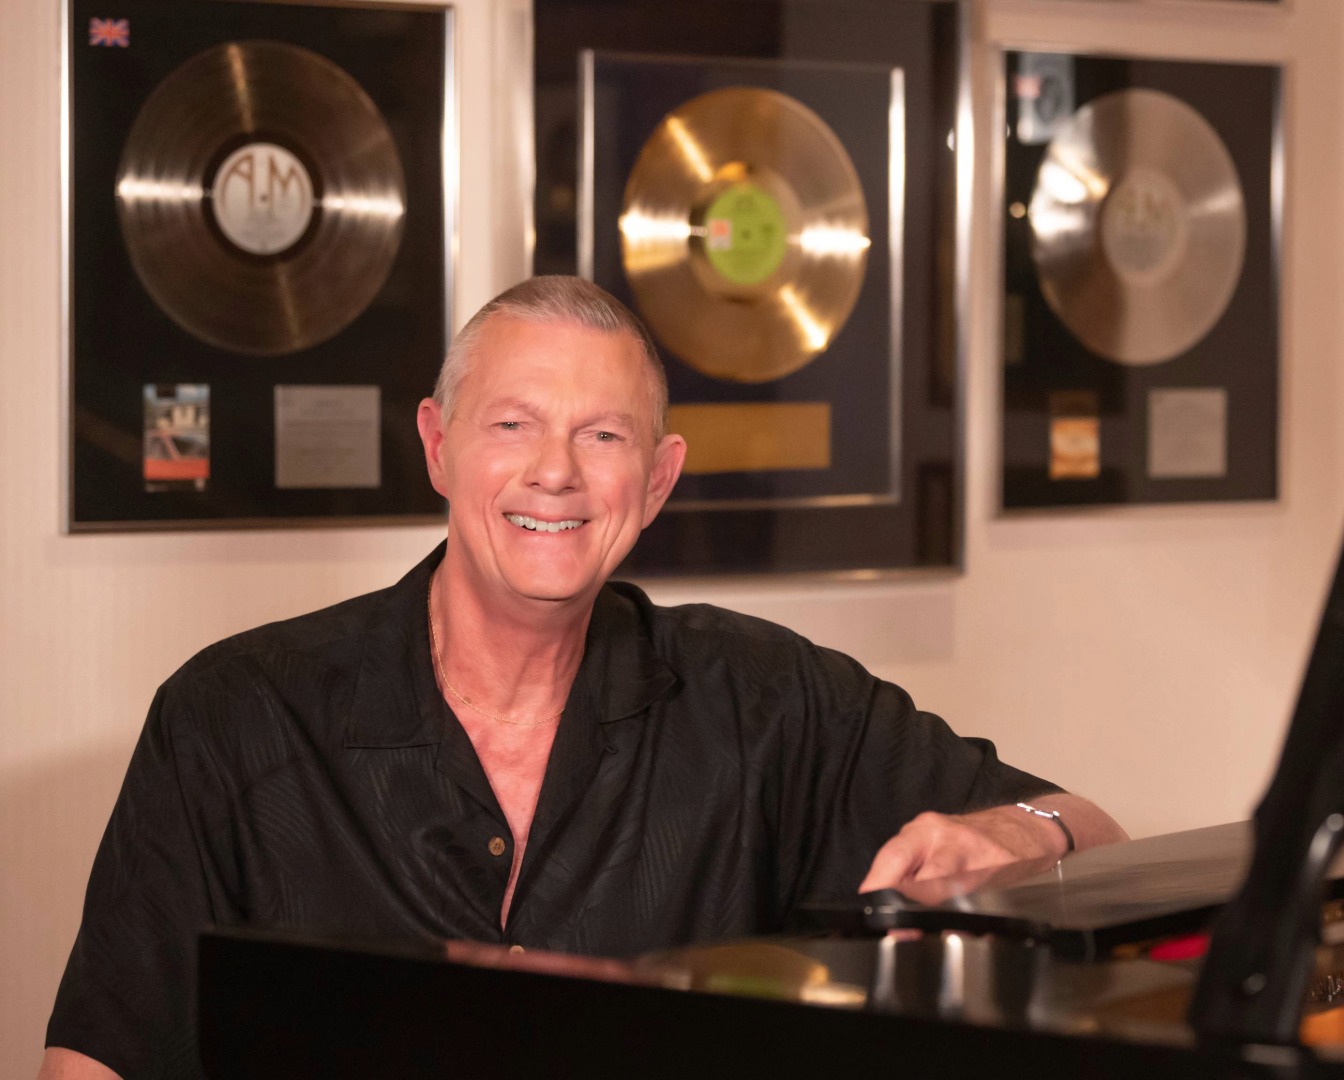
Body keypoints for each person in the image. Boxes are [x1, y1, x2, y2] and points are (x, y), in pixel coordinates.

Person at [40, 277, 1125, 1080]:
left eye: (601, 436)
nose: (554, 471)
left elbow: (1101, 840)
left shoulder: (768, 700)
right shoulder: (236, 715)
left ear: (656, 482)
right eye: (512, 425)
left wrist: (1028, 831)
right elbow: (97, 1059)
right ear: (438, 445)